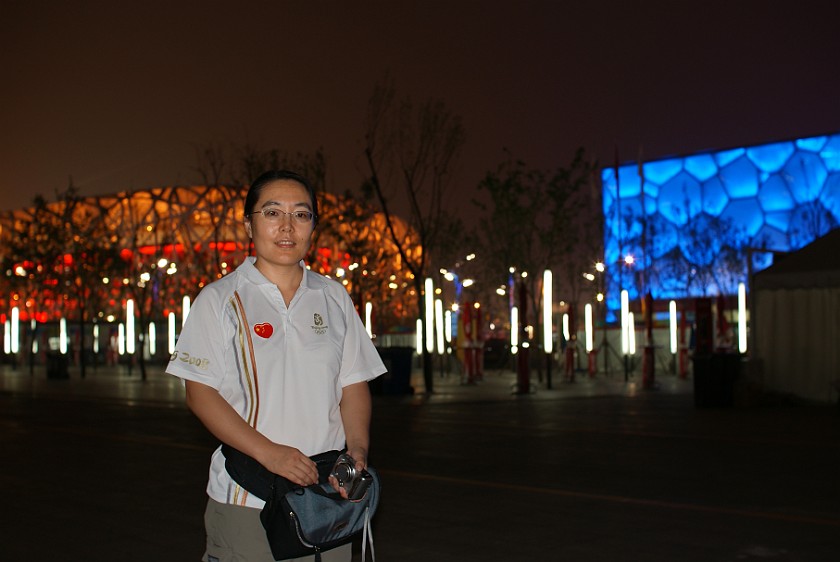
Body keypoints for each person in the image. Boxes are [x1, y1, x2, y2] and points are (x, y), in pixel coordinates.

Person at [166, 169, 386, 562]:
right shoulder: (220, 299)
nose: (287, 226)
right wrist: (269, 454)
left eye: (301, 215)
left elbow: (352, 385)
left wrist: (356, 450)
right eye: (272, 213)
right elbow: (200, 394)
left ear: (313, 226)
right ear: (248, 222)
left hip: (324, 498)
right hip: (247, 495)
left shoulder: (333, 297)